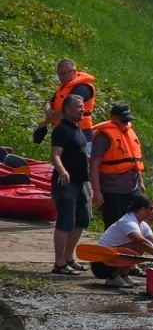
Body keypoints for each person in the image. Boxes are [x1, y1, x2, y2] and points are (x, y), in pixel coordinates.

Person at [92, 193, 153, 287]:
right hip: (101, 265)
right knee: (138, 246)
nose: (152, 211)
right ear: (143, 209)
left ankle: (123, 275)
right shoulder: (128, 222)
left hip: (112, 261)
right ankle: (113, 278)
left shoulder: (142, 224)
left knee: (139, 247)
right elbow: (142, 242)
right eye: (151, 208)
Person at [49, 94, 92, 275]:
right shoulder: (61, 129)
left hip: (79, 183)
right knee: (65, 222)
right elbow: (55, 155)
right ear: (67, 110)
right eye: (79, 107)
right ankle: (59, 263)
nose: (83, 109)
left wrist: (89, 184)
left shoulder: (77, 128)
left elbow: (81, 155)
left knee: (82, 220)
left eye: (82, 106)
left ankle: (68, 257)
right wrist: (62, 170)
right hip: (65, 183)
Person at [89, 102, 145, 226]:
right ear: (113, 118)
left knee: (136, 224)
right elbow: (94, 166)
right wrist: (96, 192)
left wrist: (140, 181)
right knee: (114, 226)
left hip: (132, 189)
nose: (125, 124)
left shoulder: (128, 133)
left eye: (127, 121)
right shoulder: (103, 137)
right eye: (122, 120)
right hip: (112, 192)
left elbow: (133, 163)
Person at [34, 58, 95, 143]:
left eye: (63, 74)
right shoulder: (65, 86)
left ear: (74, 72)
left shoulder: (82, 88)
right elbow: (50, 102)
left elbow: (67, 110)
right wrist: (48, 109)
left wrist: (45, 123)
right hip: (64, 128)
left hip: (81, 131)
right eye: (59, 74)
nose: (61, 77)